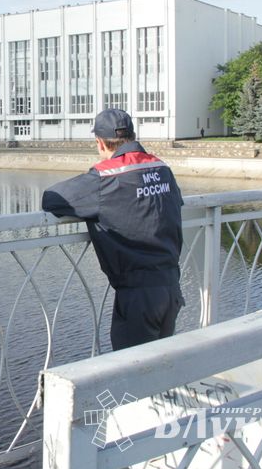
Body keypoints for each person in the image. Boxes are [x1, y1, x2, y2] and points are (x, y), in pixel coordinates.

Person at [41, 109, 184, 351]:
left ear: (99, 142)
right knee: (161, 370)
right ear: (132, 135)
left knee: (130, 376)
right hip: (170, 287)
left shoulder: (105, 176)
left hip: (137, 296)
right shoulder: (162, 168)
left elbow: (52, 200)